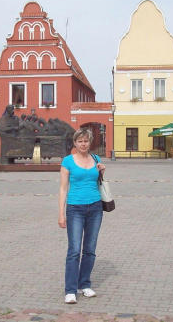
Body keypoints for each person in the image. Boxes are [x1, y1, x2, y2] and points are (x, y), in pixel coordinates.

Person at [58, 128, 106, 304]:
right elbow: (63, 188)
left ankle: (84, 284)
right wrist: (61, 214)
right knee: (74, 250)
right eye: (80, 141)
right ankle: (70, 290)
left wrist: (102, 170)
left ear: (89, 142)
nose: (83, 143)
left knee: (90, 249)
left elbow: (97, 181)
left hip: (95, 207)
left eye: (86, 141)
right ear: (75, 143)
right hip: (75, 208)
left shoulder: (96, 159)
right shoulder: (67, 161)